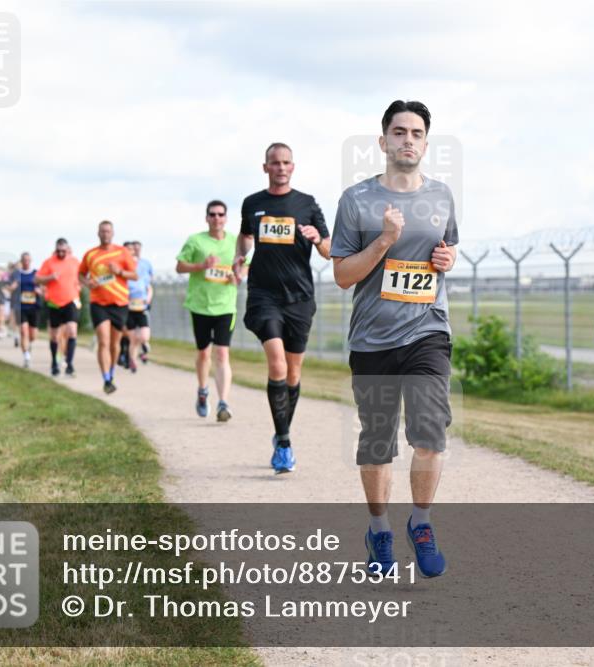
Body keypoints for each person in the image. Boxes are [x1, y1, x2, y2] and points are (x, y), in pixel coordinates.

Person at [331, 101, 458, 578]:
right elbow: (344, 275)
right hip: (373, 338)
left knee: (429, 431)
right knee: (378, 442)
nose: (408, 139)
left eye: (417, 133)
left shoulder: (443, 196)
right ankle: (380, 528)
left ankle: (421, 522)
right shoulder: (356, 200)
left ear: (426, 143)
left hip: (428, 330)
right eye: (399, 131)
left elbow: (446, 251)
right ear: (382, 141)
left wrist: (447, 261)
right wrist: (383, 242)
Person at [234, 143, 332, 473]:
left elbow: (329, 250)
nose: (280, 167)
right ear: (265, 167)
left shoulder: (306, 204)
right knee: (276, 363)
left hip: (300, 297)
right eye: (274, 163)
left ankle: (281, 433)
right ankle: (285, 442)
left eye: (286, 162)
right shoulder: (253, 203)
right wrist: (240, 256)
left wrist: (317, 237)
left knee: (292, 373)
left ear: (293, 166)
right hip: (264, 295)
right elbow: (245, 235)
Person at [177, 200, 243, 422]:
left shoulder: (235, 241)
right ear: (206, 218)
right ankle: (203, 390)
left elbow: (246, 264)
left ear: (226, 218)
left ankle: (223, 402)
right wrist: (201, 266)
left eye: (220, 214)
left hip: (225, 306)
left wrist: (237, 275)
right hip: (200, 305)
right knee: (204, 353)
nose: (216, 218)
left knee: (222, 353)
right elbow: (179, 266)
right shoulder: (196, 241)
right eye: (212, 215)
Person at [79, 220, 137, 394]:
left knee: (114, 344)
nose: (105, 234)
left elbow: (134, 275)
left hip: (119, 303)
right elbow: (81, 274)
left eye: (108, 231)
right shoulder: (91, 254)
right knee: (103, 341)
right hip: (99, 303)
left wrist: (119, 271)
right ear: (98, 233)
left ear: (112, 233)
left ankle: (111, 373)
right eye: (102, 231)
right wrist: (87, 282)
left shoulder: (122, 252)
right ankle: (105, 379)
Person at [36, 238, 81, 377]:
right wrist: (49, 277)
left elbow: (82, 277)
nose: (61, 253)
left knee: (72, 331)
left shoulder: (74, 262)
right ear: (55, 249)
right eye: (58, 250)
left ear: (68, 249)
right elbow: (37, 279)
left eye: (64, 250)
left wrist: (81, 286)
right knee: (54, 336)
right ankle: (54, 364)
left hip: (71, 301)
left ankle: (70, 364)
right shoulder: (49, 262)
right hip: (54, 303)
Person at [123, 240, 153, 373]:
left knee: (144, 335)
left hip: (141, 305)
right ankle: (133, 361)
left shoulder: (144, 266)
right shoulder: (123, 267)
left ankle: (145, 346)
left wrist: (147, 299)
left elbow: (148, 285)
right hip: (128, 305)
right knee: (133, 338)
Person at [10, 252, 39, 368]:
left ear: (30, 261)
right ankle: (26, 356)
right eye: (24, 260)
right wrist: (12, 287)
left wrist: (40, 291)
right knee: (23, 331)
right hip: (20, 306)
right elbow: (10, 286)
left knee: (33, 335)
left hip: (34, 307)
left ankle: (29, 344)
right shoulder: (16, 274)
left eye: (28, 260)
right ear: (21, 261)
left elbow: (42, 287)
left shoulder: (36, 273)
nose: (26, 262)